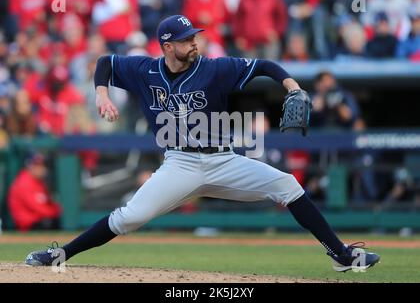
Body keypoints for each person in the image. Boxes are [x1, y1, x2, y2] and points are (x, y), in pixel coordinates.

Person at [25, 14, 380, 272]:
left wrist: (293, 87)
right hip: (180, 163)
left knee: (288, 185)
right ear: (167, 46)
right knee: (130, 217)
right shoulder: (144, 70)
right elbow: (105, 62)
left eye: (194, 37)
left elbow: (265, 65)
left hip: (224, 161)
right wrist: (102, 94)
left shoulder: (213, 68)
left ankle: (341, 255)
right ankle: (60, 256)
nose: (194, 43)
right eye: (186, 40)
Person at [8, 153, 61, 231]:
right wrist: (55, 212)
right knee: (49, 222)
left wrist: (55, 210)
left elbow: (46, 202)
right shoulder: (24, 182)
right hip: (28, 224)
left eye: (43, 166)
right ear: (30, 166)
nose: (43, 169)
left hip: (39, 220)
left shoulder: (38, 182)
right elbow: (37, 207)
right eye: (38, 166)